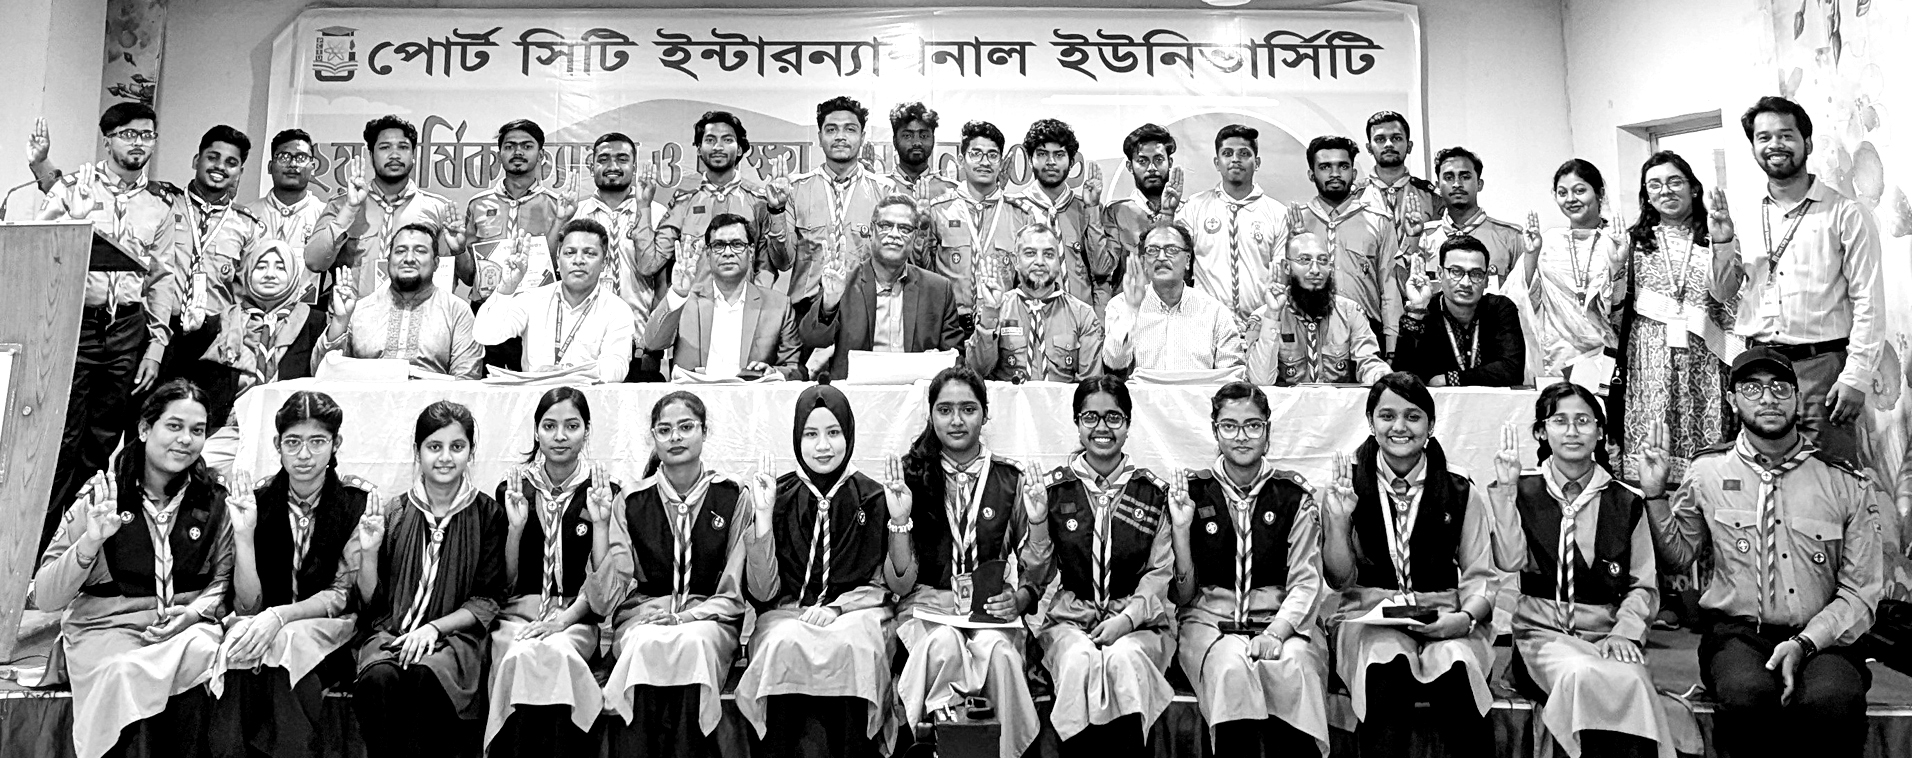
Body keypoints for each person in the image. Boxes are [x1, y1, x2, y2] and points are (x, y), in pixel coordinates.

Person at [1645, 347, 1885, 758]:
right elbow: (1679, 556)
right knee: (1746, 695)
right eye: (1752, 389)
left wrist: (1805, 643)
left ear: (1797, 397)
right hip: (1739, 633)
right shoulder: (1707, 471)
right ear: (1731, 400)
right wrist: (1654, 496)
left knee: (1831, 701)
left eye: (1780, 387)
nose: (1768, 398)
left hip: (1825, 636)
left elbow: (1861, 591)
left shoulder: (1843, 480)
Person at [33, 380, 231, 758]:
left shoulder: (215, 500)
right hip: (107, 629)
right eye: (174, 426)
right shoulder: (101, 496)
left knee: (213, 654)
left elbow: (224, 583)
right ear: (143, 429)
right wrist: (90, 540)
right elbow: (45, 597)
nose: (185, 439)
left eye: (197, 430)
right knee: (123, 671)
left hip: (184, 631)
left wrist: (194, 613)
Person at [1485, 383, 1670, 758]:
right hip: (1541, 636)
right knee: (1581, 675)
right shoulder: (1522, 491)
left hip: (1605, 635)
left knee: (1634, 682)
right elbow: (1508, 561)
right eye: (1560, 421)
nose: (1572, 431)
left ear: (1600, 432)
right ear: (1542, 431)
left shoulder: (1626, 500)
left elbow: (1643, 585)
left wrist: (1626, 633)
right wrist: (1505, 493)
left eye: (1583, 421)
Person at [1318, 372, 1496, 757]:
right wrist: (1338, 520)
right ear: (1370, 422)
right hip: (1368, 615)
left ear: (1430, 425)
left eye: (1412, 417)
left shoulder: (1459, 490)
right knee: (1387, 674)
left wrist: (1464, 619)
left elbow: (1480, 575)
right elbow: (1339, 579)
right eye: (1387, 416)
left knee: (1458, 672)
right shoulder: (1347, 486)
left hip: (1442, 612)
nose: (1399, 427)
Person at [38, 102, 189, 548]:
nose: (138, 143)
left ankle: (76, 544)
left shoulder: (159, 206)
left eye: (147, 135)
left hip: (126, 327)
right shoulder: (72, 188)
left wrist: (155, 346)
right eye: (128, 134)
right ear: (108, 140)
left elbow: (162, 279)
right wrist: (74, 215)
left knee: (103, 440)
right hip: (76, 323)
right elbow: (42, 244)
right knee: (63, 438)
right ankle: (35, 546)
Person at [735, 383, 902, 758]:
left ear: (849, 434)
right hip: (788, 612)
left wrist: (838, 608)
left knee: (854, 646)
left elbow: (887, 586)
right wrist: (763, 517)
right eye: (810, 434)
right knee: (783, 642)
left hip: (858, 613)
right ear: (797, 438)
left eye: (833, 433)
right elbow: (762, 593)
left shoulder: (873, 496)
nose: (823, 446)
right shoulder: (778, 495)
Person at [208, 391, 377, 758]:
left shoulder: (355, 502)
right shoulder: (258, 500)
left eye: (317, 442)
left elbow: (342, 594)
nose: (304, 455)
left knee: (288, 661)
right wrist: (244, 536)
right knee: (239, 652)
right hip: (264, 629)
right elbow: (247, 605)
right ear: (277, 445)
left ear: (335, 444)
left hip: (330, 634)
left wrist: (280, 616)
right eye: (293, 442)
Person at [1167, 381, 1329, 757]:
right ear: (1215, 430)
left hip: (1279, 618)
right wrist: (1180, 531)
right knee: (1231, 668)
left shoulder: (1293, 495)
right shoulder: (1191, 493)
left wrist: (1277, 632)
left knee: (1294, 666)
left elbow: (1306, 581)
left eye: (1253, 426)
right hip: (1211, 621)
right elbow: (1183, 596)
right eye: (1230, 426)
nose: (1241, 436)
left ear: (1267, 431)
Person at [888, 367, 1042, 758]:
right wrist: (900, 520)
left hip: (989, 614)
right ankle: (931, 747)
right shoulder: (910, 477)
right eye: (945, 410)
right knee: (943, 645)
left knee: (999, 652)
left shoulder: (1009, 478)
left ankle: (1004, 753)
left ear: (985, 414)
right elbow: (899, 582)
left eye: (968, 409)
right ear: (931, 415)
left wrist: (1021, 598)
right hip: (927, 610)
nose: (956, 420)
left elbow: (1034, 565)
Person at [591, 391, 751, 758]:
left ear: (704, 431)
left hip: (708, 618)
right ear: (653, 437)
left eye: (686, 427)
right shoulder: (631, 499)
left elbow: (732, 592)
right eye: (664, 430)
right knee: (645, 643)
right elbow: (608, 598)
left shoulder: (732, 495)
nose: (675, 437)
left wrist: (684, 618)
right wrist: (600, 527)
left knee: (692, 644)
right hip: (645, 616)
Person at [1730, 96, 1886, 466]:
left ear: (1808, 143)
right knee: (1763, 475)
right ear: (1753, 148)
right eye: (1764, 137)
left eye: (1786, 135)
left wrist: (1856, 377)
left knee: (1827, 476)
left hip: (1821, 370)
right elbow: (1723, 291)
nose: (1775, 145)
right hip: (1758, 367)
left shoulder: (1846, 213)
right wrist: (1721, 245)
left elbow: (1869, 301)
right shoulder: (1743, 213)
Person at [1025, 376, 1176, 754]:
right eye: (1090, 417)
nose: (1102, 428)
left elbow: (1159, 573)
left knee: (1124, 661)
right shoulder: (1055, 489)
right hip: (1072, 619)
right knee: (1079, 661)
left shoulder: (1152, 493)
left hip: (1137, 622)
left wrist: (1127, 620)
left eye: (1113, 417)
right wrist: (1038, 521)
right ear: (1077, 423)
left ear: (1128, 424)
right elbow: (1038, 575)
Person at [352, 400, 506, 758]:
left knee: (426, 675)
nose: (445, 458)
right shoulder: (395, 511)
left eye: (457, 446)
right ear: (418, 451)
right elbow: (372, 603)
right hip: (393, 632)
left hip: (453, 638)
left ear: (471, 452)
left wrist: (433, 629)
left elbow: (487, 599)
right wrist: (369, 553)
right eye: (434, 447)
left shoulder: (487, 514)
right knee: (379, 679)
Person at [485, 388, 617, 756]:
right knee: (519, 655)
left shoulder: (603, 491)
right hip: (518, 614)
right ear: (536, 431)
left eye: (571, 426)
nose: (560, 436)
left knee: (557, 654)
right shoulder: (514, 490)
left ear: (586, 431)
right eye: (549, 426)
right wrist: (515, 530)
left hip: (575, 615)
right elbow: (505, 584)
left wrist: (601, 525)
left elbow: (604, 590)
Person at [1616, 151, 1742, 484]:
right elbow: (1612, 312)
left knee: (1708, 469)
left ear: (1693, 188)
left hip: (1705, 360)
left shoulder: (1714, 237)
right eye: (1655, 185)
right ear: (1646, 195)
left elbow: (1726, 295)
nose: (1666, 191)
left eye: (1674, 182)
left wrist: (1723, 242)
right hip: (1649, 365)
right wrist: (1615, 267)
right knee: (1654, 458)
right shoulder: (1633, 243)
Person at [159, 125, 269, 429]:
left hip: (215, 337)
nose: (220, 167)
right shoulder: (164, 204)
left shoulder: (247, 225)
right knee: (149, 418)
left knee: (208, 425)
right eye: (213, 157)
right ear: (197, 160)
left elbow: (250, 292)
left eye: (231, 163)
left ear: (239, 172)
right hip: (162, 329)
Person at [799, 194, 964, 381]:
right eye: (885, 226)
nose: (894, 234)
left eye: (904, 229)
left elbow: (955, 358)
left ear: (915, 236)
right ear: (871, 231)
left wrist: (939, 362)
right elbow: (812, 339)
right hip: (857, 394)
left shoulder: (938, 290)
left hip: (916, 394)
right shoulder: (844, 285)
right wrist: (830, 302)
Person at [305, 114, 464, 298]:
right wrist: (349, 209)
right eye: (385, 147)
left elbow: (457, 278)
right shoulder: (342, 205)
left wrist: (459, 251)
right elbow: (315, 262)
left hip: (416, 312)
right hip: (353, 312)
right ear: (371, 155)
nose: (394, 155)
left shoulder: (437, 209)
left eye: (403, 147)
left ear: (413, 155)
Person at [639, 111, 791, 303]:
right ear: (699, 149)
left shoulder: (759, 202)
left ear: (740, 149)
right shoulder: (684, 202)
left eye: (727, 140)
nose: (718, 146)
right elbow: (648, 265)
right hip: (693, 312)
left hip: (744, 311)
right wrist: (643, 206)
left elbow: (780, 263)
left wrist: (777, 211)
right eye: (710, 140)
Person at [1290, 134, 1416, 349]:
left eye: (1343, 166)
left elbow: (1390, 290)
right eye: (1325, 167)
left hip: (1367, 335)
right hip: (1308, 333)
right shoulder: (1295, 221)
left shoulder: (1379, 221)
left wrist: (1391, 346)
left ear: (1354, 173)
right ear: (1311, 174)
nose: (1335, 174)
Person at [644, 213, 803, 380]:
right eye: (719, 245)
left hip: (751, 394)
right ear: (708, 253)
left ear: (750, 251)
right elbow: (652, 343)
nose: (728, 252)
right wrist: (678, 293)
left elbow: (794, 369)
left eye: (737, 244)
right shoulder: (686, 301)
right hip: (694, 394)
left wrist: (774, 373)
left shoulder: (778, 306)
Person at [474, 218, 635, 381]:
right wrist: (506, 288)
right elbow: (485, 335)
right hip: (537, 395)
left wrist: (565, 372)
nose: (578, 260)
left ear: (604, 263)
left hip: (589, 395)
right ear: (558, 260)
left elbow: (616, 368)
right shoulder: (533, 300)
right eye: (570, 252)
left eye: (589, 253)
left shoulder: (617, 310)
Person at [317, 222, 484, 379]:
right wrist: (340, 321)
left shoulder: (457, 312)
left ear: (436, 263)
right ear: (388, 260)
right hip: (367, 399)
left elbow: (467, 382)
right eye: (400, 251)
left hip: (434, 400)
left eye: (420, 251)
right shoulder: (359, 310)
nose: (409, 258)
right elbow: (321, 372)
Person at [780, 97, 898, 316]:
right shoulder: (796, 190)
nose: (840, 137)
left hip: (864, 310)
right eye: (831, 129)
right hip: (806, 311)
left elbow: (893, 260)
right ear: (820, 137)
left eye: (850, 129)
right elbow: (782, 261)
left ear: (862, 137)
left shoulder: (884, 192)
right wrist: (776, 211)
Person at [1516, 159, 1625, 382]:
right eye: (1562, 193)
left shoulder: (1618, 242)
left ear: (1600, 193)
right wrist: (1531, 256)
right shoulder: (1547, 243)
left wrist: (1618, 266)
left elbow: (1624, 302)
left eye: (1580, 191)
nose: (1571, 199)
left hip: (1610, 355)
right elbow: (1519, 299)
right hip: (1559, 358)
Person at [1101, 221, 1246, 378]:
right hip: (1144, 394)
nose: (1161, 257)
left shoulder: (1214, 312)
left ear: (1188, 260)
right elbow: (1114, 362)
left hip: (1198, 393)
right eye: (1152, 250)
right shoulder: (1121, 305)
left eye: (1172, 250)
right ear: (1143, 260)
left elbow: (1232, 375)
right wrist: (1131, 309)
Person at [966, 221, 1104, 383]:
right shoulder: (997, 310)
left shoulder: (1083, 315)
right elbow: (976, 372)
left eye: (1048, 254)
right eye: (1030, 253)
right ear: (1016, 261)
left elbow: (1091, 387)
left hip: (1062, 400)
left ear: (1059, 261)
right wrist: (990, 312)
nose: (1039, 261)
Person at [1245, 232, 1389, 386]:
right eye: (1304, 260)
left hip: (1337, 401)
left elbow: (1369, 362)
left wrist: (1380, 375)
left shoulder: (1350, 312)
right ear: (1287, 266)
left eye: (1323, 260)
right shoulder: (1263, 318)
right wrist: (1273, 316)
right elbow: (1260, 381)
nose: (1315, 269)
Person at [1176, 124, 1285, 322]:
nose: (1235, 159)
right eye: (1227, 153)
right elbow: (1172, 257)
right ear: (1217, 163)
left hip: (1260, 325)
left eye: (1244, 153)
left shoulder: (1277, 213)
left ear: (1257, 162)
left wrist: (1267, 319)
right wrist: (1167, 213)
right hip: (1205, 323)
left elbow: (1281, 277)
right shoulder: (1195, 207)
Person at [923, 119, 1033, 312]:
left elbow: (1027, 281)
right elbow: (923, 271)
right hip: (950, 322)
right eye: (976, 154)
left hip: (1002, 321)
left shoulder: (1020, 215)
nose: (985, 162)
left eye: (993, 155)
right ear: (961, 159)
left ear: (1001, 161)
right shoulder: (939, 211)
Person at [464, 119, 577, 303]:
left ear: (541, 155)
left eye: (527, 146)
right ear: (499, 155)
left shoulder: (558, 207)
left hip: (538, 306)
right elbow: (468, 276)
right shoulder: (477, 204)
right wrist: (458, 250)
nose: (518, 152)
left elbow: (558, 265)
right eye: (509, 146)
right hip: (486, 305)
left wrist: (560, 221)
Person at [1395, 234, 1527, 387]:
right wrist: (1417, 308)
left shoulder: (1500, 309)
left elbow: (1512, 371)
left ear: (1486, 280)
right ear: (1440, 274)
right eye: (1456, 272)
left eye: (1476, 274)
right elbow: (1402, 379)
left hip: (1491, 402)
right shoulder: (1426, 310)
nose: (1466, 283)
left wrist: (1449, 379)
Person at [1014, 118, 1115, 309]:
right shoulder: (1014, 209)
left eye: (1059, 155)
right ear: (1029, 160)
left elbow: (1101, 270)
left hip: (1081, 319)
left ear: (1071, 161)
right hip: (1030, 318)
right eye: (1042, 154)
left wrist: (1092, 209)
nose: (1051, 162)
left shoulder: (1087, 208)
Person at [571, 132, 659, 323]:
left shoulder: (656, 214)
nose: (613, 166)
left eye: (622, 159)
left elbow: (663, 283)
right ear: (591, 167)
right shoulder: (574, 215)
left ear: (634, 167)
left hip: (639, 330)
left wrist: (655, 332)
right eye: (603, 159)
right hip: (583, 331)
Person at [1419, 146, 1530, 285]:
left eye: (1465, 177)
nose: (1457, 184)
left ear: (1479, 184)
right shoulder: (1423, 238)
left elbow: (1526, 292)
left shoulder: (1511, 238)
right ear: (1438, 187)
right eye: (1449, 178)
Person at [1358, 111, 1444, 253]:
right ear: (1369, 148)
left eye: (1396, 138)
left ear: (1409, 146)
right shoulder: (1354, 197)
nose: (1388, 144)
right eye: (1380, 139)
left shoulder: (1432, 197)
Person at [247, 129, 329, 251]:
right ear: (270, 167)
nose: (293, 164)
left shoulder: (325, 217)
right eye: (284, 157)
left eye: (301, 158)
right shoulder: (247, 216)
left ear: (312, 168)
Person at [885, 102, 956, 202]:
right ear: (895, 141)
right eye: (907, 136)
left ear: (933, 140)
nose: (917, 142)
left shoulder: (952, 192)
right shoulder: (880, 188)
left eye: (924, 136)